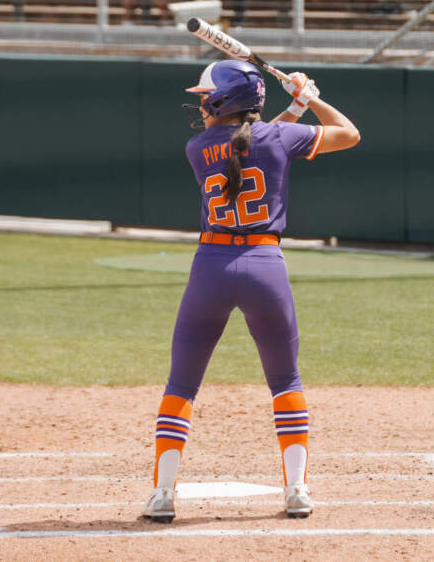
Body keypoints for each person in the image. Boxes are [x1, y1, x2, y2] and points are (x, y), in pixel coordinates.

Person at [141, 61, 360, 523]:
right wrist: (308, 99)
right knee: (286, 382)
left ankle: (162, 495)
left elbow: (249, 144)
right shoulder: (280, 137)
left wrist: (294, 107)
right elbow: (347, 133)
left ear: (224, 101)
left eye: (207, 97)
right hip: (265, 268)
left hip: (211, 268)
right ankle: (297, 490)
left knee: (181, 384)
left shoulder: (197, 147)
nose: (202, 104)